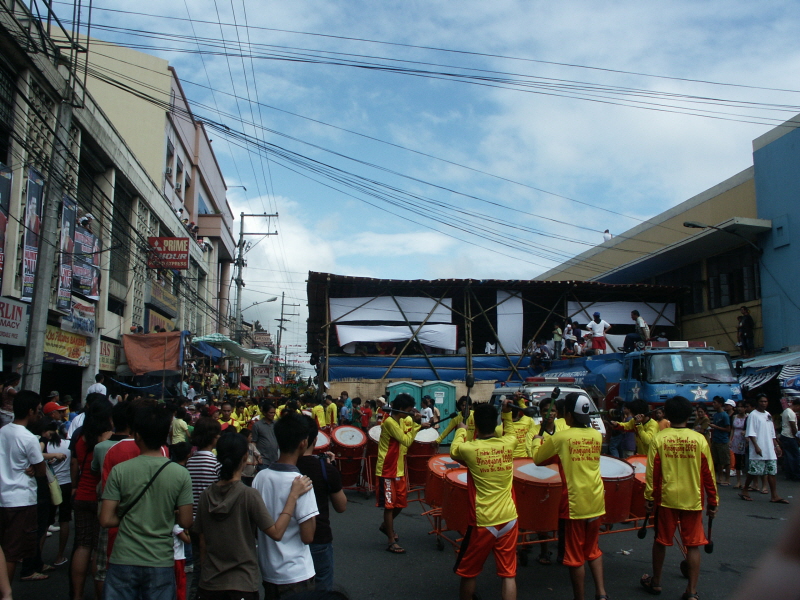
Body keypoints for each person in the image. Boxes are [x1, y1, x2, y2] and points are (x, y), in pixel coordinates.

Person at [194, 431, 312, 600]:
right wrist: (293, 496)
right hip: (241, 582)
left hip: (209, 582)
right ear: (244, 458)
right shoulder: (247, 495)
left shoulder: (206, 495)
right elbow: (276, 532)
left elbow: (202, 541)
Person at [99, 404, 194, 600]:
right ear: (166, 434)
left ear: (137, 435)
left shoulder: (120, 471)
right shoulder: (180, 474)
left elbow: (106, 519)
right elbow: (186, 522)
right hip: (160, 559)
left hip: (123, 557)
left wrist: (130, 516)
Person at [530, 393, 608, 600]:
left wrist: (536, 441)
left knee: (575, 557)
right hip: (596, 499)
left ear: (568, 416)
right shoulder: (596, 435)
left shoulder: (561, 438)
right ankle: (601, 593)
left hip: (574, 504)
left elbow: (538, 459)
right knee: (593, 549)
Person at [640, 395, 718, 599]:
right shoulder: (699, 439)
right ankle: (691, 592)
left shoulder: (659, 438)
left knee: (660, 541)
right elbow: (709, 473)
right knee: (693, 545)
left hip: (666, 499)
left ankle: (656, 582)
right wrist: (713, 501)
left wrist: (649, 497)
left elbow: (652, 473)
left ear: (666, 414)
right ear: (689, 415)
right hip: (693, 499)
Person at [451, 401, 518, 600]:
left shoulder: (470, 449)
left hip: (483, 521)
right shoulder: (509, 443)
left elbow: (454, 451)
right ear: (495, 422)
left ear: (476, 425)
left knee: (469, 571)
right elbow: (511, 432)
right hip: (509, 517)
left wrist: (461, 430)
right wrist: (507, 414)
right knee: (508, 574)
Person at [253, 412, 319, 599]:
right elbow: (308, 536)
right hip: (296, 572)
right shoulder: (301, 483)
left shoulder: (261, 477)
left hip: (268, 570)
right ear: (303, 443)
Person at [297, 417, 347, 591]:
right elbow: (341, 506)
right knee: (321, 590)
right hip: (319, 538)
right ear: (314, 440)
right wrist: (332, 470)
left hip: (285, 542)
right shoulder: (325, 469)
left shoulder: (272, 472)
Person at [0, 390, 46, 582]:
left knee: (4, 549)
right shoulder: (29, 438)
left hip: (3, 497)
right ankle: (6, 592)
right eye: (38, 410)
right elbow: (41, 470)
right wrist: (34, 470)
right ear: (29, 411)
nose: (39, 414)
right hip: (21, 500)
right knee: (12, 552)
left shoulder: (2, 431)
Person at [71, 397, 113, 598]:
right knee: (98, 549)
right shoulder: (106, 439)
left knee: (82, 545)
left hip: (81, 493)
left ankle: (77, 595)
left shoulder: (80, 437)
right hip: (98, 498)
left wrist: (74, 486)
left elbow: (75, 465)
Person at [375, 393, 427, 553]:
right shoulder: (390, 422)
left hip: (398, 468)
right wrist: (417, 426)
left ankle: (386, 526)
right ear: (402, 409)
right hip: (387, 469)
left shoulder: (401, 420)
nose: (411, 413)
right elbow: (406, 441)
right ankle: (391, 541)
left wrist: (418, 425)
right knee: (389, 506)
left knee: (401, 504)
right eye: (409, 410)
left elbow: (408, 431)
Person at [186, 417, 221, 600]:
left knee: (198, 563)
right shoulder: (216, 463)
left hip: (191, 520)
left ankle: (194, 594)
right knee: (209, 565)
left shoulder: (190, 462)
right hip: (210, 520)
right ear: (214, 437)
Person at [739, 394, 787, 503]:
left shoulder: (768, 415)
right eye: (761, 401)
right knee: (754, 471)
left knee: (771, 472)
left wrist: (777, 446)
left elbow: (772, 433)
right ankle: (745, 490)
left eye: (765, 401)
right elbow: (750, 433)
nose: (764, 403)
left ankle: (774, 495)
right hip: (759, 447)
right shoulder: (753, 415)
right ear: (758, 402)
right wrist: (756, 446)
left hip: (769, 448)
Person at [41, 419, 72, 567]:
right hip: (66, 484)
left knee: (45, 521)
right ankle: (59, 556)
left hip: (50, 484)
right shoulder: (68, 444)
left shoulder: (44, 445)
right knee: (64, 520)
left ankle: (37, 556)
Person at [709, 396, 731, 486]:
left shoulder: (724, 415)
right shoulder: (716, 415)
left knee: (726, 461)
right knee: (717, 461)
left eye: (715, 403)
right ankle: (720, 477)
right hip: (715, 439)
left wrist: (715, 427)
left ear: (720, 404)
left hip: (723, 440)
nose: (713, 404)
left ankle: (727, 479)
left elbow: (728, 429)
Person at [252, 402, 279, 469]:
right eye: (270, 413)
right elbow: (254, 442)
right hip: (263, 461)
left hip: (275, 459)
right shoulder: (257, 425)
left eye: (274, 413)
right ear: (264, 413)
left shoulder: (276, 424)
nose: (273, 415)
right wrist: (256, 457)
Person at [779, 399, 800, 481]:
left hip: (785, 435)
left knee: (788, 456)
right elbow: (793, 427)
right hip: (789, 436)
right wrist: (797, 437)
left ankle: (789, 474)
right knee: (795, 456)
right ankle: (796, 474)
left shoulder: (785, 411)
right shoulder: (791, 413)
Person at [731, 401, 749, 489]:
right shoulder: (734, 417)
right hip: (736, 440)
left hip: (744, 440)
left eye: (742, 407)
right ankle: (738, 481)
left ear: (745, 408)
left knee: (745, 461)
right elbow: (732, 429)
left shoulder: (748, 417)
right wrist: (731, 440)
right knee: (737, 460)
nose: (740, 408)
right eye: (739, 407)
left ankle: (748, 482)